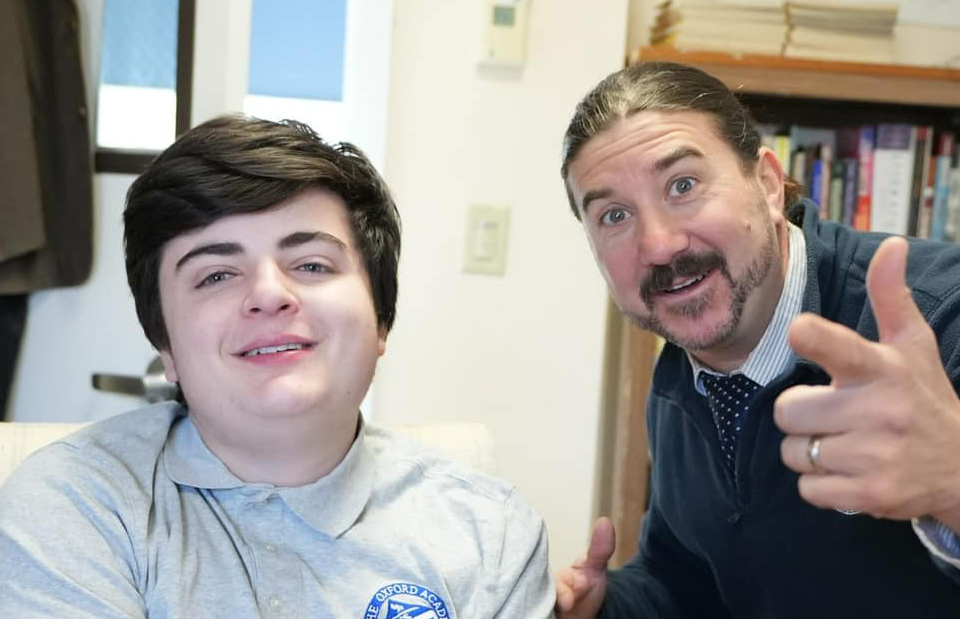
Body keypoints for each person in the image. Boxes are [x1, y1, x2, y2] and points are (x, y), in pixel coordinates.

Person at [0, 115, 556, 618]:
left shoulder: (490, 534)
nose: (269, 294)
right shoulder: (72, 505)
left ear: (381, 320)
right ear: (165, 345)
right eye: (216, 275)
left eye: (312, 264)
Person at [553, 61, 960, 618]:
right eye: (614, 215)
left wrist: (954, 487)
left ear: (767, 184)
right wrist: (604, 607)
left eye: (683, 185)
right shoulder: (680, 376)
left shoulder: (938, 317)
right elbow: (685, 579)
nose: (659, 245)